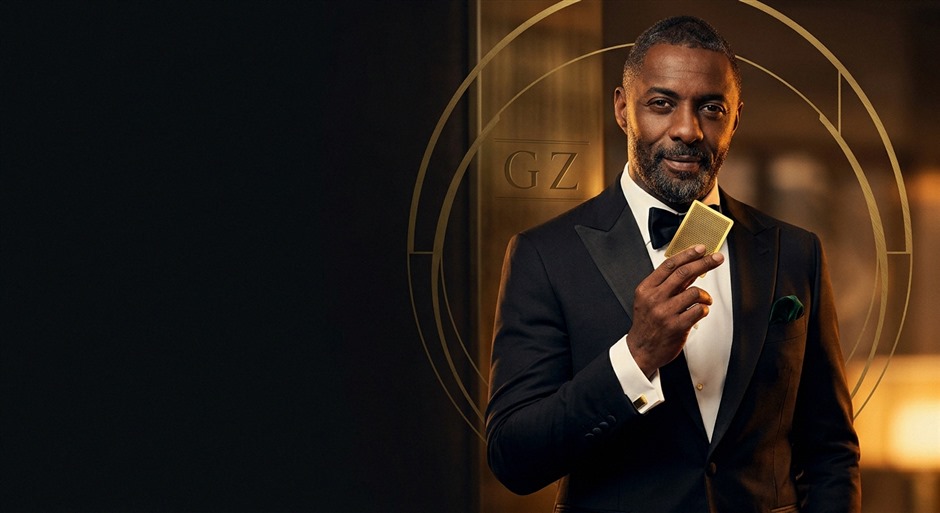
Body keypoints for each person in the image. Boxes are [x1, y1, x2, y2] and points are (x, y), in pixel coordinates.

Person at [485, 15, 861, 513]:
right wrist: (635, 356)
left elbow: (830, 452)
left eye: (711, 108)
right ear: (623, 109)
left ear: (736, 117)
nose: (687, 129)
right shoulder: (545, 257)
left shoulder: (796, 253)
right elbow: (514, 458)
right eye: (662, 104)